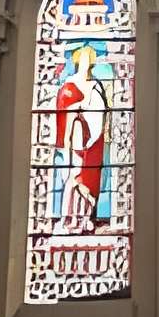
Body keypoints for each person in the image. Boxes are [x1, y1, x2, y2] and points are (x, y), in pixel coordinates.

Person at [53, 41, 112, 230]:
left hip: (93, 141)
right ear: (78, 61)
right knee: (73, 176)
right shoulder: (70, 85)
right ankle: (68, 217)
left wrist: (88, 106)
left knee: (90, 177)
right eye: (84, 59)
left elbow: (102, 110)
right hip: (75, 139)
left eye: (90, 59)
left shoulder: (96, 85)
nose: (87, 63)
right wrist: (77, 109)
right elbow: (63, 109)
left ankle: (86, 216)